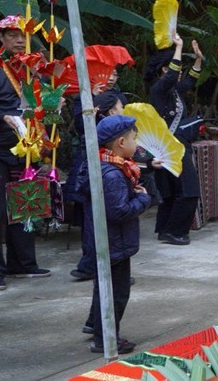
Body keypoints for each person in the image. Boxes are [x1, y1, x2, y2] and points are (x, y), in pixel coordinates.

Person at [0, 16, 50, 291]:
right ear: (1, 38)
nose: (18, 40)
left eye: (22, 35)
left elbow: (39, 106)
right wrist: (2, 116)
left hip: (28, 147)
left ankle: (23, 264)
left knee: (25, 205)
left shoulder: (32, 68)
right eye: (12, 35)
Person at [87, 115, 152, 354]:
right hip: (113, 242)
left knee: (105, 287)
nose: (137, 144)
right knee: (116, 292)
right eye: (135, 139)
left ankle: (96, 329)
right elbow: (119, 211)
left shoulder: (106, 166)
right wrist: (143, 199)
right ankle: (105, 337)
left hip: (110, 241)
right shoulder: (112, 174)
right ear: (121, 142)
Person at [146, 34, 203, 246]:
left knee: (171, 191)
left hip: (174, 145)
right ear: (164, 70)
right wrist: (178, 46)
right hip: (170, 148)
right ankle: (174, 230)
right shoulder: (159, 90)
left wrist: (198, 59)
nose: (178, 74)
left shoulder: (174, 91)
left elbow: (191, 80)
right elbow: (172, 76)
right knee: (189, 190)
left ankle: (165, 230)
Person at [70, 92, 126, 281]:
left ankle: (88, 266)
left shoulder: (96, 127)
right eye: (121, 107)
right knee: (108, 228)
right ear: (112, 111)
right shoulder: (112, 132)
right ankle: (102, 269)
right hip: (105, 182)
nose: (123, 110)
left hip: (92, 181)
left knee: (92, 225)